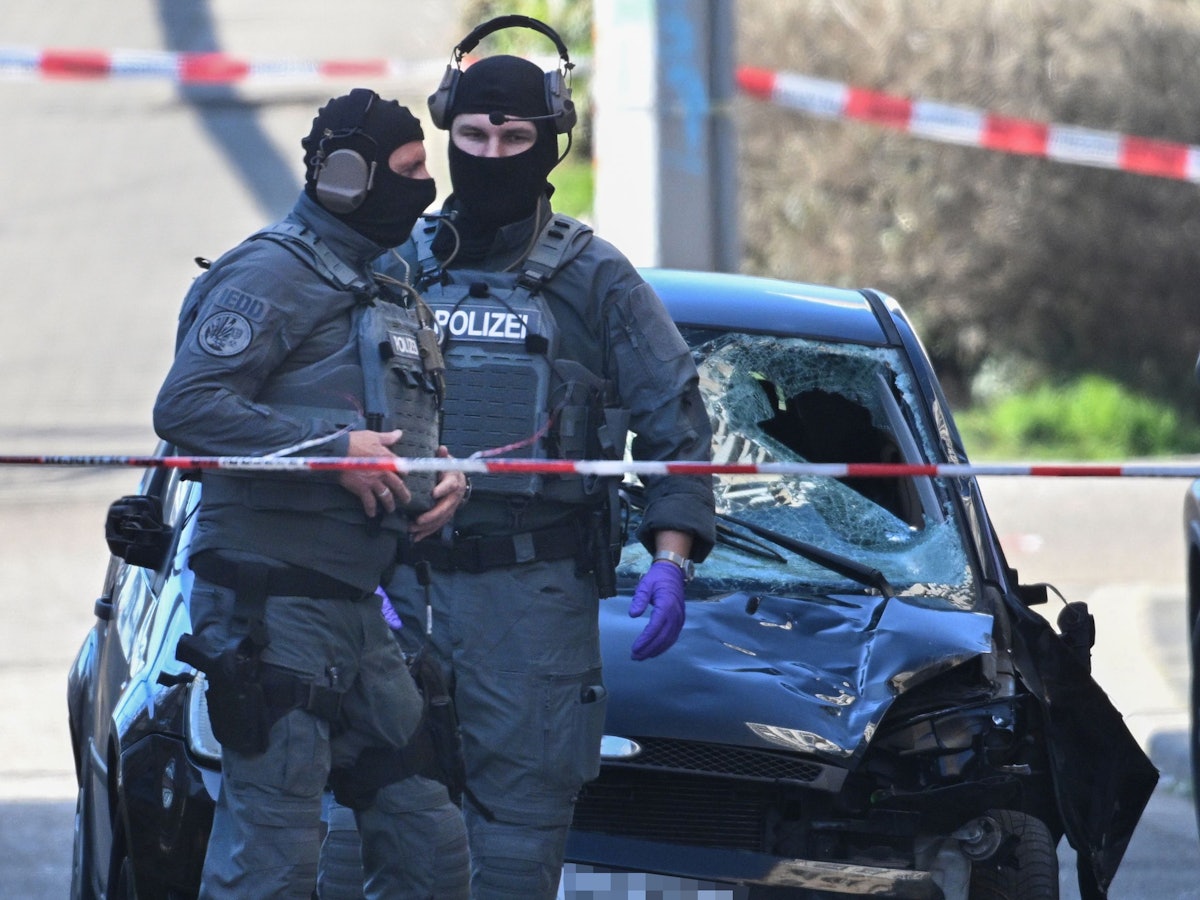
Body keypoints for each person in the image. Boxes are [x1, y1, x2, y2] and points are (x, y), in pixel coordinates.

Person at [318, 18, 717, 899]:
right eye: (471, 136)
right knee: (354, 846)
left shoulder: (597, 280)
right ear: (447, 133)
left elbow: (678, 427)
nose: (490, 152)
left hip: (532, 605)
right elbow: (317, 406)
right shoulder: (394, 266)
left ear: (550, 145)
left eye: (513, 138)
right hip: (394, 585)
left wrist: (670, 558)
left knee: (511, 859)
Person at [153, 88, 469, 899]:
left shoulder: (389, 284)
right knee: (276, 856)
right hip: (270, 605)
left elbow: (387, 424)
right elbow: (186, 407)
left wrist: (444, 476)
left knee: (428, 843)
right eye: (405, 171)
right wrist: (327, 454)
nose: (425, 187)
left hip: (359, 609)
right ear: (345, 178)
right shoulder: (271, 271)